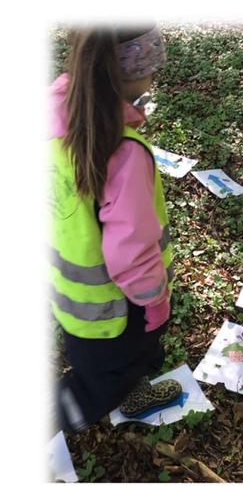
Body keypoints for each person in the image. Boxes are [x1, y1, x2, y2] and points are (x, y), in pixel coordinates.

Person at [49, 25, 182, 431]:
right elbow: (133, 254)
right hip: (119, 311)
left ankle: (127, 379)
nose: (153, 79)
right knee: (99, 384)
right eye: (152, 69)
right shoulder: (123, 153)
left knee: (104, 362)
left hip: (70, 299)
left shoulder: (49, 115)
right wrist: (156, 306)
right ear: (133, 71)